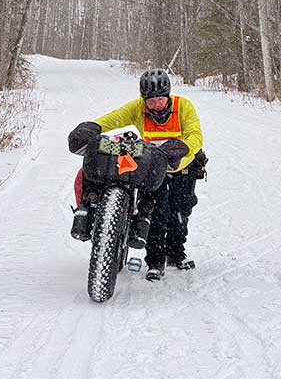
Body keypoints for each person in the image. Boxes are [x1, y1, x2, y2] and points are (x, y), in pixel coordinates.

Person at [68, 69, 205, 282]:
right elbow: (115, 118)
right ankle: (155, 261)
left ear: (167, 95)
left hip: (182, 164)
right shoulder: (138, 108)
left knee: (180, 212)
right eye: (151, 100)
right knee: (157, 212)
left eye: (160, 99)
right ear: (144, 99)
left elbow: (195, 134)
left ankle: (176, 252)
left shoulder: (183, 107)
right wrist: (93, 127)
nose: (156, 104)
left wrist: (184, 147)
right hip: (155, 166)